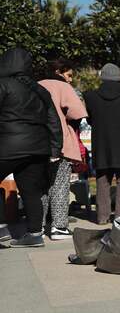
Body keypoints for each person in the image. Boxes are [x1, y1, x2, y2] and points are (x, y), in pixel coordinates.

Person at [0, 48, 62, 248]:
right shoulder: (40, 89)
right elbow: (54, 121)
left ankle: (3, 228)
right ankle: (35, 234)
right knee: (31, 191)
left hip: (8, 145)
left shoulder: (3, 84)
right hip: (38, 148)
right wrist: (55, 149)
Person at [84, 63, 120, 224]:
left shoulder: (90, 97)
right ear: (119, 77)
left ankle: (102, 217)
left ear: (102, 77)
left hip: (102, 144)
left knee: (102, 181)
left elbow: (90, 120)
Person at [38, 58, 88, 240]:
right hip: (60, 142)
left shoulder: (34, 85)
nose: (71, 79)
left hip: (36, 142)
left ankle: (38, 226)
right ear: (59, 72)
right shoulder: (64, 88)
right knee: (59, 184)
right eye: (69, 75)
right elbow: (77, 113)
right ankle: (59, 227)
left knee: (40, 186)